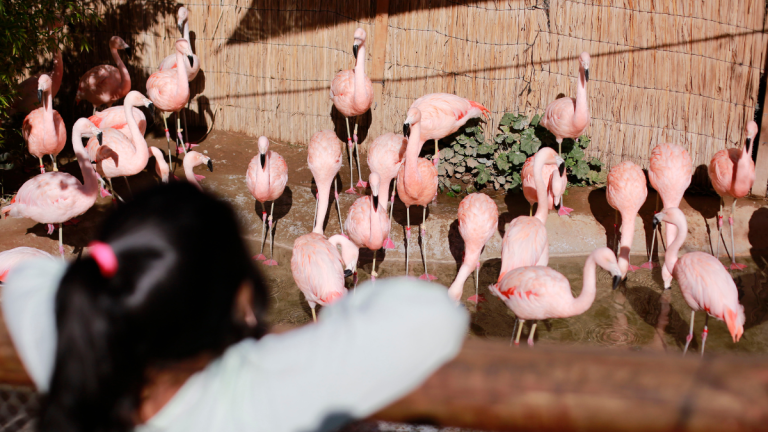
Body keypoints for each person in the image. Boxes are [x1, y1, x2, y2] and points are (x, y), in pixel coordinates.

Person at [2, 182, 468, 432]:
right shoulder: (259, 392)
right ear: (240, 295)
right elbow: (434, 315)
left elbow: (32, 277)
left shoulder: (71, 346)